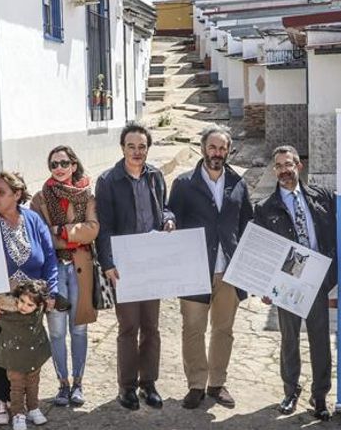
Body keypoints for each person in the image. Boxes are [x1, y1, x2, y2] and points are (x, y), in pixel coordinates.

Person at [167, 126, 253, 410]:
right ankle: (195, 384)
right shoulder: (183, 183)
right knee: (193, 329)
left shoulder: (238, 183)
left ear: (229, 150)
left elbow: (247, 225)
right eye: (212, 147)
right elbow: (170, 211)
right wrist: (168, 220)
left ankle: (217, 383)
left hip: (229, 270)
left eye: (222, 148)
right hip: (194, 269)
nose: (217, 153)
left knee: (223, 329)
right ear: (203, 148)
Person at [95, 123, 175, 411]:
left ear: (147, 149)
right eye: (132, 146)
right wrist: (107, 263)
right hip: (125, 264)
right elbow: (103, 227)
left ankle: (148, 384)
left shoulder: (155, 176)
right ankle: (126, 387)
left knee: (151, 327)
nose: (137, 152)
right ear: (122, 148)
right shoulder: (108, 180)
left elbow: (164, 207)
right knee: (129, 327)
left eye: (142, 146)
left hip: (151, 262)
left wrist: (168, 218)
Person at [252, 145, 336, 421]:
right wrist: (265, 285)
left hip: (317, 279)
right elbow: (261, 250)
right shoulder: (265, 208)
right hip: (287, 280)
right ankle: (290, 391)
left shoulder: (321, 196)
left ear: (299, 166)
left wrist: (333, 275)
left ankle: (320, 395)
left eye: (288, 164)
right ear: (274, 170)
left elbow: (336, 232)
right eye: (278, 166)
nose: (284, 171)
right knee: (289, 339)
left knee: (320, 338)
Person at [0, 171, 63, 424]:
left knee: (25, 354)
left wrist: (51, 294)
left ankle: (28, 405)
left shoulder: (33, 220)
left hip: (29, 305)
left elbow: (49, 260)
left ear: (17, 195)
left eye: (2, 192)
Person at [30, 146, 100, 407]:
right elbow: (39, 236)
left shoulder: (87, 196)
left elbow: (92, 230)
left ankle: (79, 383)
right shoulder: (39, 199)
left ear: (73, 165)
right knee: (57, 332)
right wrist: (69, 234)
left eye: (63, 163)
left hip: (81, 269)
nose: (58, 168)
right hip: (53, 270)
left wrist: (60, 231)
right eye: (53, 164)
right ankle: (63, 385)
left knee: (79, 329)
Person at [0, 280, 52, 430]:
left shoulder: (39, 310)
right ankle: (18, 413)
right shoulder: (8, 311)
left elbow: (56, 300)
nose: (23, 307)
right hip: (13, 356)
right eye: (21, 301)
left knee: (33, 383)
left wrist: (59, 299)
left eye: (29, 305)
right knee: (17, 386)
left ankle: (33, 408)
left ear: (39, 306)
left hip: (34, 356)